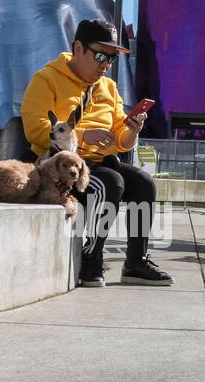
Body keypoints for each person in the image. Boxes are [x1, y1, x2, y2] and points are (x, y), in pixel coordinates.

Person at [20, 19, 173, 287]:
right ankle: (92, 260)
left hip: (100, 162)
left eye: (111, 59)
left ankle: (136, 262)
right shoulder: (46, 79)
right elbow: (35, 129)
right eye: (100, 55)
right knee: (112, 183)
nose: (105, 65)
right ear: (78, 48)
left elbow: (121, 139)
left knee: (144, 183)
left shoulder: (108, 87)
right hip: (61, 168)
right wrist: (77, 134)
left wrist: (133, 129)